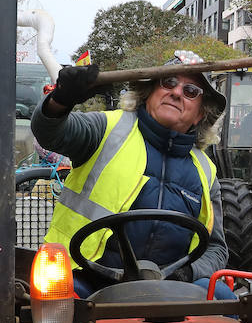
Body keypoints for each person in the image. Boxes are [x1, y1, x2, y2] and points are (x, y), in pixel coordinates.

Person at [30, 53, 234, 299]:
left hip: (172, 288)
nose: (177, 92)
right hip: (89, 279)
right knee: (55, 299)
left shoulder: (206, 171)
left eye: (191, 90)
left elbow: (216, 248)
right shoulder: (105, 129)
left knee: (224, 299)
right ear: (149, 91)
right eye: (168, 82)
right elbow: (50, 131)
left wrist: (187, 273)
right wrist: (60, 100)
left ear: (201, 113)